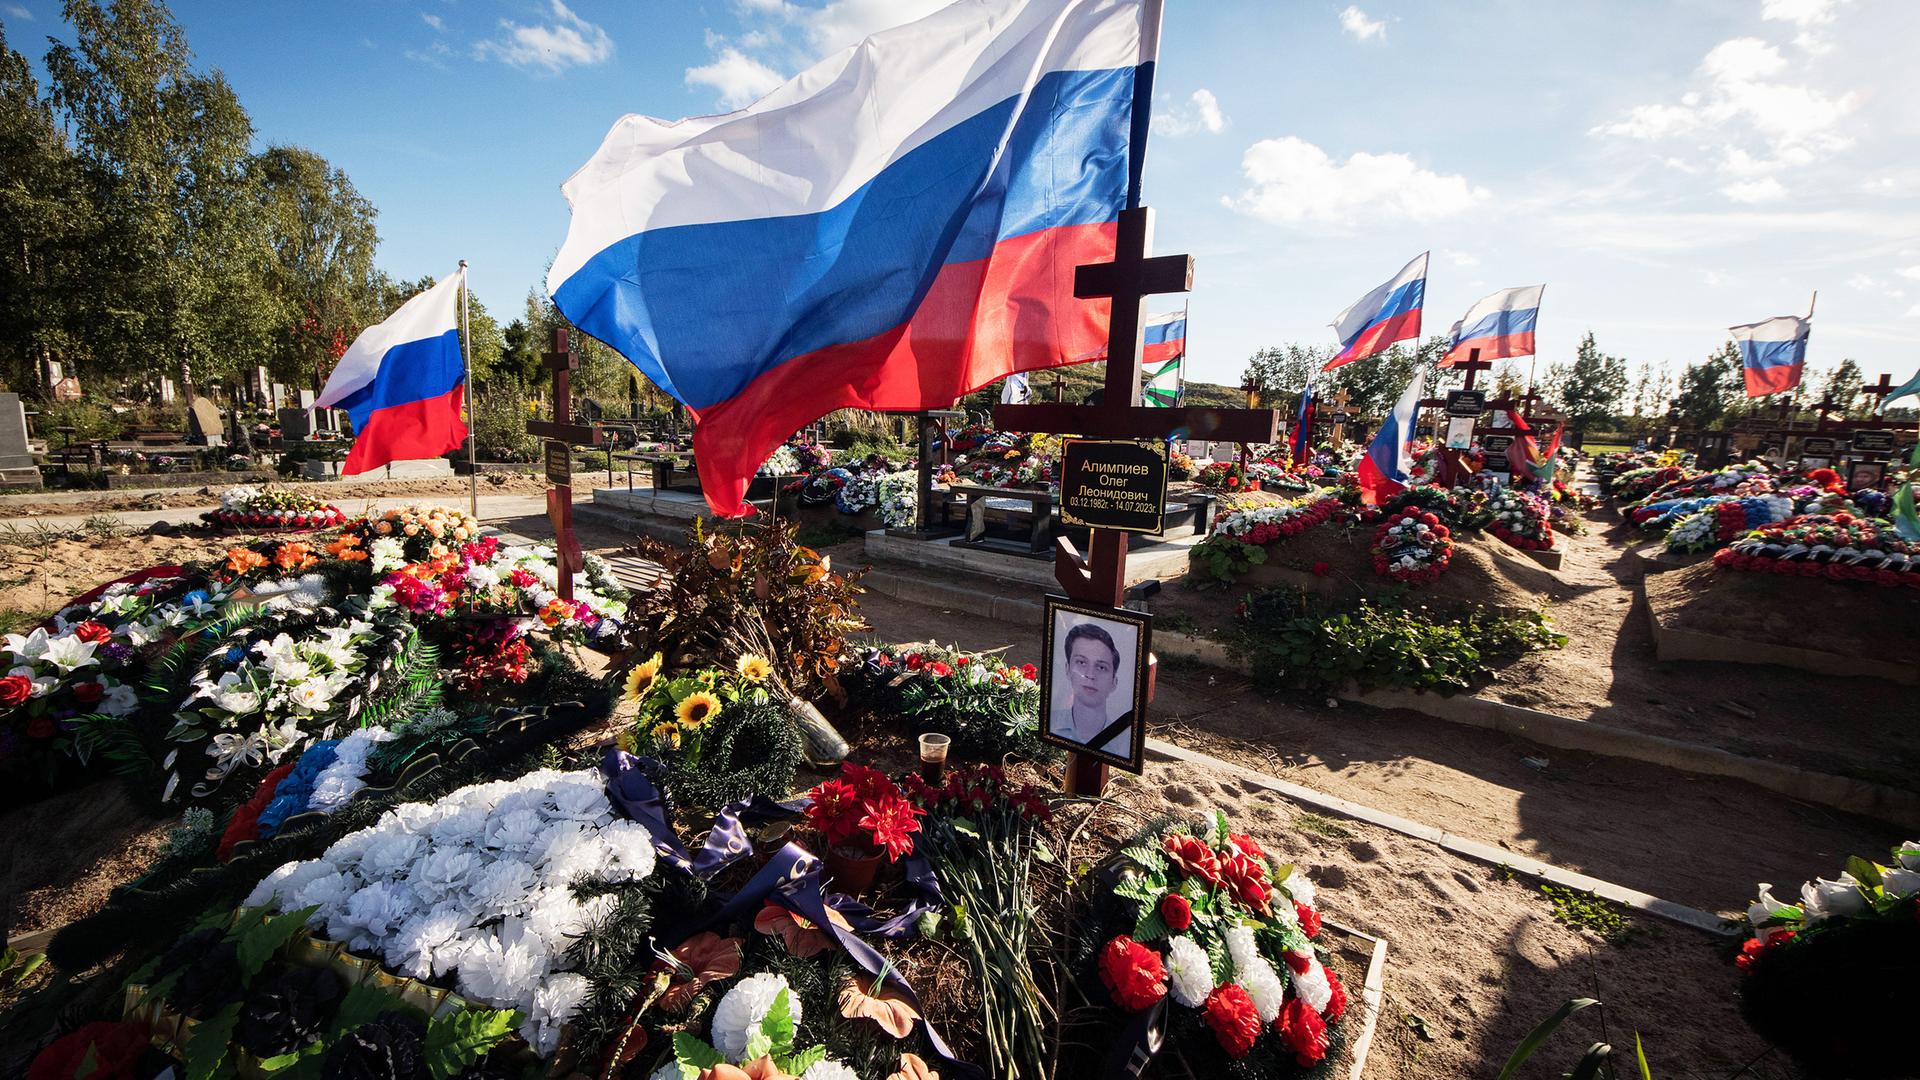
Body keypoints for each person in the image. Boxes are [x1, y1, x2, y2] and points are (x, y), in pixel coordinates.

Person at [1049, 620, 1133, 759]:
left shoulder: (1124, 743)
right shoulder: (1051, 723)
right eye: (1081, 662)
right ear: (1067, 669)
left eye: (1101, 667)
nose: (1090, 675)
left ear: (1114, 681)